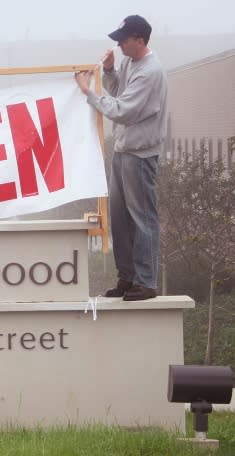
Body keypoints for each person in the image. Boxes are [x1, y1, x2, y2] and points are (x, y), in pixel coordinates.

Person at [74, 15, 167, 301]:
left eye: (124, 39)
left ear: (140, 40)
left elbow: (122, 110)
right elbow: (119, 93)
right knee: (120, 218)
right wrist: (112, 71)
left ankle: (146, 282)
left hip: (140, 155)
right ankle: (127, 277)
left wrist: (89, 92)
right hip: (124, 150)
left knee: (142, 219)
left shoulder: (151, 72)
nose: (119, 44)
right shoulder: (129, 62)